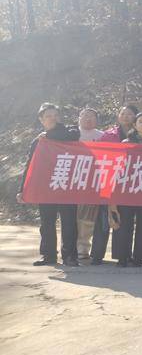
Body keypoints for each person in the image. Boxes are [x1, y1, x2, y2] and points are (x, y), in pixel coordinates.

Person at [17, 103, 81, 267]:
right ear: (41, 119)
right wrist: (22, 189)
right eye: (48, 116)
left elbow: (73, 135)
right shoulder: (38, 141)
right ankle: (49, 255)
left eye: (55, 115)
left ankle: (70, 256)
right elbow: (29, 166)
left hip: (66, 185)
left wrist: (49, 135)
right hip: (46, 187)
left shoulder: (70, 131)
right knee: (46, 223)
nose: (52, 119)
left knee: (69, 223)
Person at [114, 113, 142, 267]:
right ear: (135, 125)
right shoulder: (126, 143)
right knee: (125, 224)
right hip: (128, 189)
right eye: (140, 121)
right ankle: (122, 256)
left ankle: (139, 256)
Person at [75, 107, 103, 260]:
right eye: (85, 115)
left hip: (93, 182)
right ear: (79, 118)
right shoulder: (71, 134)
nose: (88, 118)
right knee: (70, 216)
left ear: (97, 120)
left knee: (87, 217)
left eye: (91, 116)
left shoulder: (102, 136)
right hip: (73, 181)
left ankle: (83, 247)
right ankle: (68, 247)